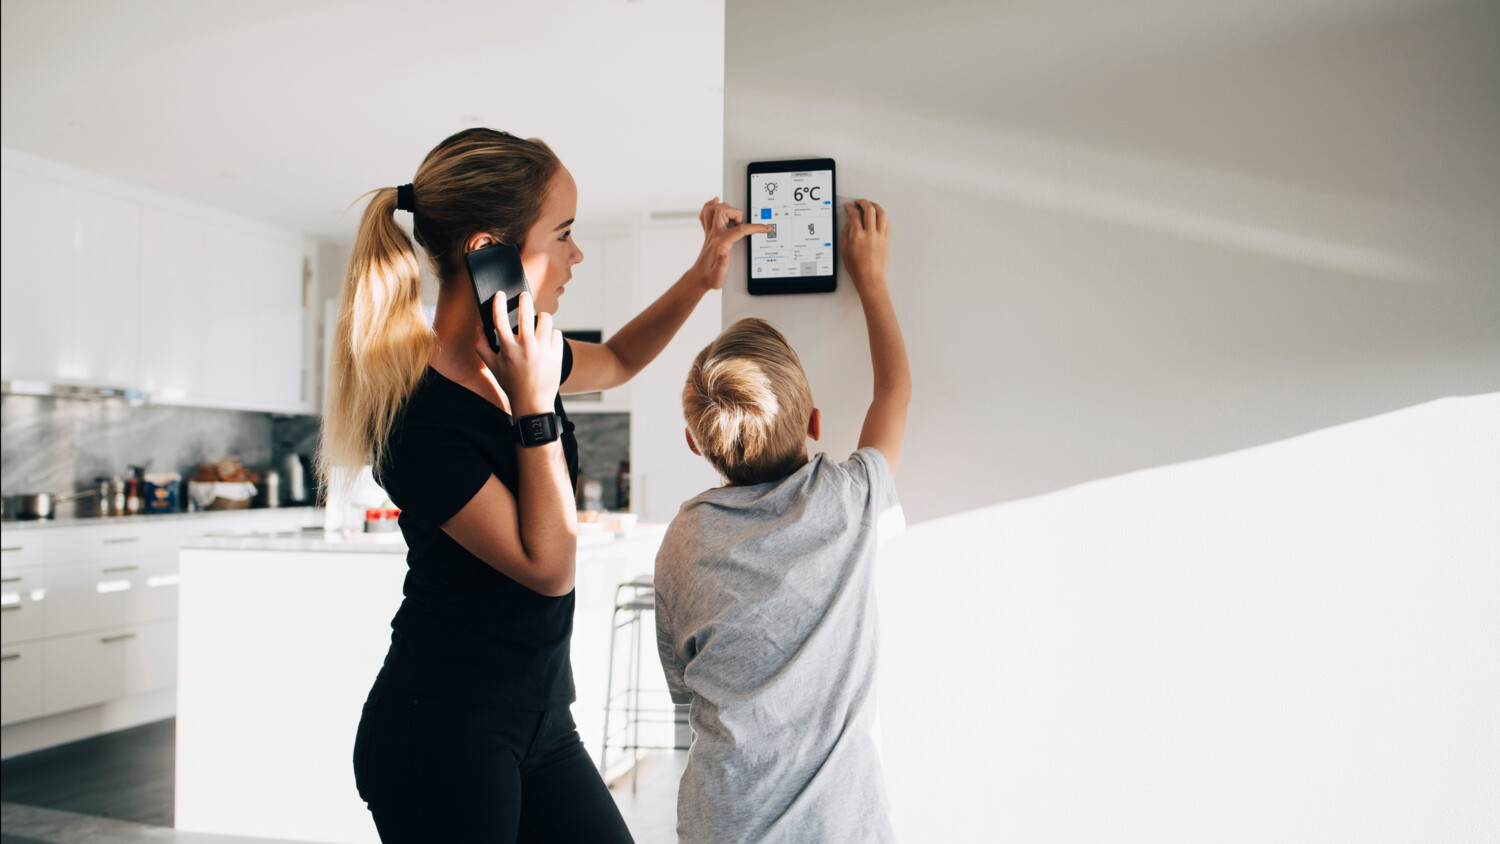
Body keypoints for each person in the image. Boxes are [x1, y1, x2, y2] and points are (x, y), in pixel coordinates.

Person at [319, 127, 768, 842]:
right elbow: (548, 567)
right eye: (562, 234)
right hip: (440, 733)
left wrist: (701, 277)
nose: (575, 255)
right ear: (487, 252)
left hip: (541, 722)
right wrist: (531, 405)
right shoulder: (416, 418)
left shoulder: (527, 354)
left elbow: (619, 359)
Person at [654, 199, 911, 843]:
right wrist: (871, 277)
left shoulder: (685, 540)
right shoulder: (850, 500)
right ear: (815, 423)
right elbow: (894, 392)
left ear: (697, 445)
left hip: (724, 825)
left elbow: (681, 683)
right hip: (840, 829)